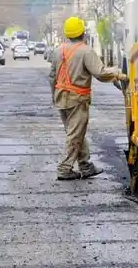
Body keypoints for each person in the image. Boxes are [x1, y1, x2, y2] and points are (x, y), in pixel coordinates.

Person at [49, 16, 126, 181]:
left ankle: (85, 166)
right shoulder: (85, 51)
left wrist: (53, 96)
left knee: (77, 132)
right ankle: (64, 169)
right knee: (75, 135)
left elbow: (52, 77)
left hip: (61, 98)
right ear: (83, 33)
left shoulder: (58, 50)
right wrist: (118, 75)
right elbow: (100, 73)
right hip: (77, 99)